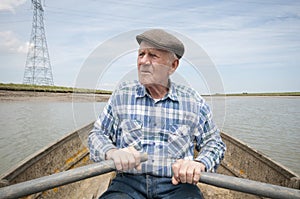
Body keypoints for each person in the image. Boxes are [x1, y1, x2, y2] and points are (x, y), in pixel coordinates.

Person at [88, 29, 226, 199]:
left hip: (177, 185)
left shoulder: (193, 101)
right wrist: (112, 152)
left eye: (153, 56)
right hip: (128, 182)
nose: (143, 61)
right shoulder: (122, 94)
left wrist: (199, 163)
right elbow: (97, 134)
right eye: (141, 54)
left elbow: (214, 143)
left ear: (173, 66)